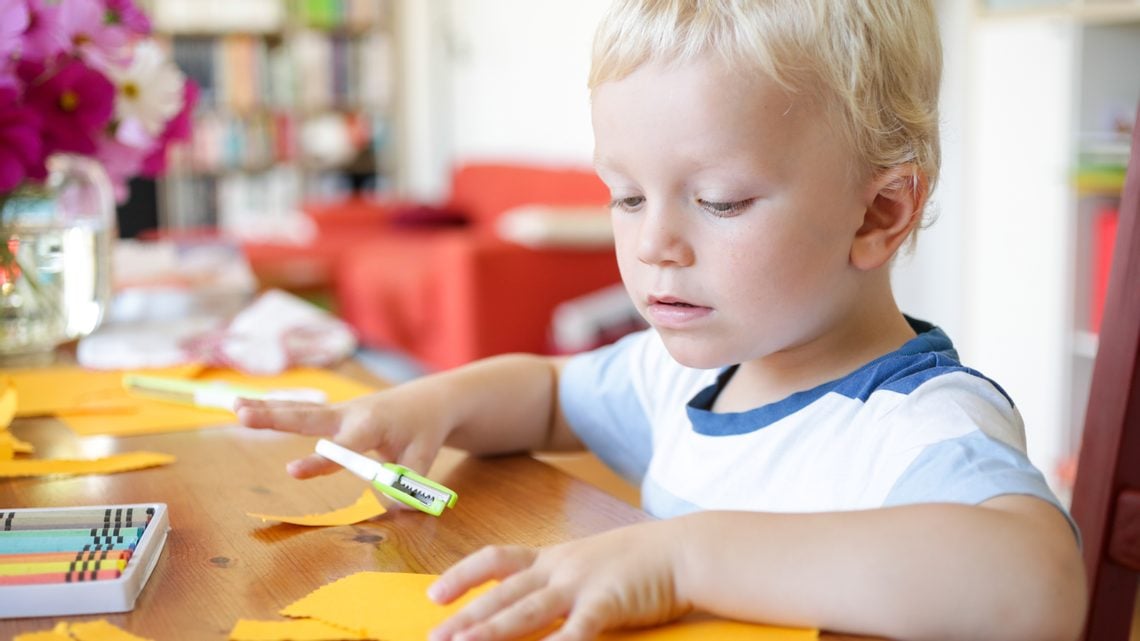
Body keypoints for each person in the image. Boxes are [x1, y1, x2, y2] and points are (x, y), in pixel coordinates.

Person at [235, 1, 1088, 639]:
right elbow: (548, 390)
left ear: (879, 215)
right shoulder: (686, 375)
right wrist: (425, 405)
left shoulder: (915, 428)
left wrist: (683, 556)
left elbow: (1037, 583)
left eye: (718, 200)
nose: (653, 244)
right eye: (627, 196)